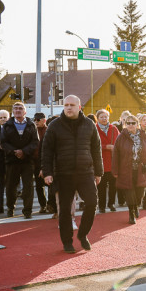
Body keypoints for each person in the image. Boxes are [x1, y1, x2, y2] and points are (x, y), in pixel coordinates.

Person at [41, 95, 102, 254]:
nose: (69, 107)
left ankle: (83, 234)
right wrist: (47, 172)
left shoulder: (89, 125)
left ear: (79, 107)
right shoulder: (54, 126)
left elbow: (96, 149)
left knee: (92, 202)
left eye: (72, 105)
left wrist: (99, 171)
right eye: (66, 105)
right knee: (65, 210)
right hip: (63, 174)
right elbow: (47, 151)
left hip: (85, 172)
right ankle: (67, 242)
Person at [112, 114, 146, 224]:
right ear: (125, 124)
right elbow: (115, 155)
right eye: (128, 123)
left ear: (137, 124)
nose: (131, 125)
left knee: (140, 193)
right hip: (126, 170)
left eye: (133, 123)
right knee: (129, 192)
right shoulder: (121, 137)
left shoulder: (144, 136)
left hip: (141, 170)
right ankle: (131, 213)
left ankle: (137, 205)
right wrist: (115, 170)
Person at [0, 102, 40, 218]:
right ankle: (10, 208)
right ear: (13, 111)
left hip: (27, 160)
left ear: (25, 112)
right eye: (15, 108)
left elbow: (35, 142)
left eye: (20, 108)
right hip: (12, 161)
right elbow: (3, 142)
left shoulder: (31, 125)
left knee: (28, 187)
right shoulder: (7, 125)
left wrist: (24, 151)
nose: (18, 110)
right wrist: (15, 152)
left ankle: (27, 211)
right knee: (11, 187)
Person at [95, 109, 120, 213]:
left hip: (113, 161)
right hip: (100, 162)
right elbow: (91, 144)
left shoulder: (113, 128)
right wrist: (105, 147)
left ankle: (111, 203)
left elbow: (119, 141)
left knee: (113, 185)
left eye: (106, 117)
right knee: (101, 186)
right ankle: (101, 206)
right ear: (97, 118)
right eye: (101, 117)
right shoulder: (94, 128)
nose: (104, 119)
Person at [32, 113, 53, 214]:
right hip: (35, 162)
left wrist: (43, 167)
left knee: (50, 185)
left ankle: (50, 204)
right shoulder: (33, 131)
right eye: (34, 119)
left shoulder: (49, 131)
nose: (36, 121)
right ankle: (43, 205)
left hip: (46, 162)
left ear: (44, 120)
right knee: (39, 186)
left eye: (38, 119)